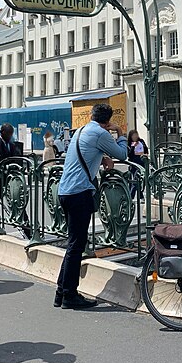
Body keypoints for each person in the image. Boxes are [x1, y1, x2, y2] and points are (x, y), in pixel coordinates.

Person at [54, 104, 127, 309]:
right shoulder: (100, 133)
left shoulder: (82, 131)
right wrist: (119, 132)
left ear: (92, 116)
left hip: (65, 191)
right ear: (108, 121)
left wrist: (101, 157)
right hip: (80, 193)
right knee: (77, 245)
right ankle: (69, 295)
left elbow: (83, 154)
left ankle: (61, 292)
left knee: (72, 244)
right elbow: (122, 154)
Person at [127, 130, 148, 196]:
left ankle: (138, 196)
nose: (135, 136)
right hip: (134, 163)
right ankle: (132, 196)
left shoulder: (141, 141)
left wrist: (144, 153)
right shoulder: (129, 143)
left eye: (136, 135)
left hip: (142, 162)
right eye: (133, 135)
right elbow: (129, 154)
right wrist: (133, 147)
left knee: (141, 180)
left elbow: (146, 149)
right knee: (136, 180)